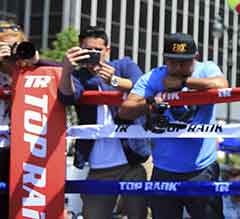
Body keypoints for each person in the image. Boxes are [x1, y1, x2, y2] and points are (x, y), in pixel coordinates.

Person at [118, 32, 228, 219]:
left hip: (201, 169)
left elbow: (223, 86)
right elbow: (125, 111)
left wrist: (184, 82)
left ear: (195, 57)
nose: (177, 67)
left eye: (184, 63)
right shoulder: (155, 76)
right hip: (164, 170)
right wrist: (150, 103)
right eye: (173, 62)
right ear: (165, 60)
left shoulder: (207, 69)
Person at [58, 25, 149, 219]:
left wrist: (114, 80)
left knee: (139, 215)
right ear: (79, 50)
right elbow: (67, 97)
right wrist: (66, 69)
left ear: (107, 50)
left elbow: (143, 85)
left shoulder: (123, 65)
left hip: (132, 160)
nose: (92, 54)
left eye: (97, 50)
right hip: (99, 166)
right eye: (87, 50)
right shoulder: (77, 75)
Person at [0, 20, 43, 215]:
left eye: (16, 46)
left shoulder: (32, 72)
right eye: (6, 46)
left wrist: (33, 61)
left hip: (22, 150)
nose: (11, 52)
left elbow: (62, 70)